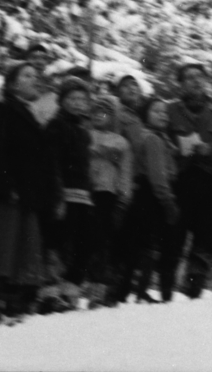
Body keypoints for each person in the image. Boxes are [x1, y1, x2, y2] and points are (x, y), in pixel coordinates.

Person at [0, 61, 59, 324]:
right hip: (3, 192)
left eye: (35, 75)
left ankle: (8, 307)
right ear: (12, 83)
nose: (34, 79)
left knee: (15, 248)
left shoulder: (29, 113)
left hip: (23, 193)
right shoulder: (0, 108)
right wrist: (5, 187)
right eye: (27, 75)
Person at [162, 61, 212, 299]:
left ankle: (194, 288)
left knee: (207, 236)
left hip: (209, 182)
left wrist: (210, 149)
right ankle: (165, 292)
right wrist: (175, 149)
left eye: (199, 76)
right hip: (179, 180)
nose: (195, 80)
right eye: (189, 77)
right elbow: (157, 137)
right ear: (181, 84)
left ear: (206, 82)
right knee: (173, 234)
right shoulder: (169, 109)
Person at [113, 98, 179, 305]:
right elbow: (158, 175)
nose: (162, 115)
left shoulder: (152, 137)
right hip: (150, 196)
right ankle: (139, 291)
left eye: (164, 112)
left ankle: (127, 291)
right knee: (147, 244)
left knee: (136, 244)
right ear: (145, 114)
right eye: (156, 111)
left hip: (141, 193)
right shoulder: (153, 139)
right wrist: (168, 202)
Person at [42, 78, 93, 312]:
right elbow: (51, 163)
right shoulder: (56, 126)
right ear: (62, 101)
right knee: (58, 243)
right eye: (72, 99)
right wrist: (56, 194)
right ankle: (51, 292)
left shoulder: (83, 131)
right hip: (63, 193)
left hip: (83, 194)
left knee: (82, 245)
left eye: (82, 99)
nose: (77, 104)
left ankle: (70, 291)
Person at [85, 97, 133, 306]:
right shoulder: (84, 135)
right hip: (85, 191)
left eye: (103, 112)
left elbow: (126, 170)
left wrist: (124, 195)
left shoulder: (120, 142)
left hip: (107, 193)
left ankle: (99, 290)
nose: (98, 115)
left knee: (102, 241)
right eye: (95, 112)